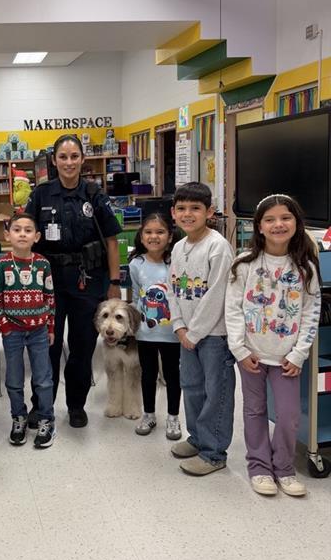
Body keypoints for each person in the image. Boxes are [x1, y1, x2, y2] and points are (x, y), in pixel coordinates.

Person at [225, 194, 321, 497]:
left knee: (288, 414)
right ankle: (259, 467)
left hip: (286, 358)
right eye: (270, 219)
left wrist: (299, 353)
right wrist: (240, 349)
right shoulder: (244, 264)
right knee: (254, 410)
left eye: (285, 218)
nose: (278, 224)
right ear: (259, 226)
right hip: (252, 353)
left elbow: (310, 313)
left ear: (296, 223)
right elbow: (233, 309)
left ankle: (284, 467)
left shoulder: (306, 267)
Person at [26, 134, 122, 428]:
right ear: (54, 161)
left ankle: (76, 405)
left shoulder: (95, 194)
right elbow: (26, 234)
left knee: (82, 347)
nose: (68, 162)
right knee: (47, 348)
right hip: (49, 283)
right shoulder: (40, 195)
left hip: (88, 282)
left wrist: (114, 282)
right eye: (63, 157)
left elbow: (111, 240)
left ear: (82, 160)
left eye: (74, 156)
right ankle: (42, 405)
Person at [168, 181, 235, 476]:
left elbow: (217, 295)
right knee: (192, 389)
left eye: (195, 208)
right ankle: (196, 438)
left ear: (209, 212)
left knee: (216, 392)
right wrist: (180, 328)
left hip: (213, 337)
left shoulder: (218, 246)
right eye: (181, 208)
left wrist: (193, 333)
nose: (187, 214)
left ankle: (213, 452)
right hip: (187, 336)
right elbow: (172, 290)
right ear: (173, 213)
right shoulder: (179, 246)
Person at [0, 213, 56, 448]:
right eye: (17, 230)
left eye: (28, 230)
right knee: (14, 380)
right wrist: (4, 326)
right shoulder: (1, 265)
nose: (22, 234)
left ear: (36, 236)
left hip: (39, 330)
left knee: (43, 379)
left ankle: (47, 419)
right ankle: (19, 417)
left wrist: (50, 326)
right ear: (7, 235)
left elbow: (49, 297)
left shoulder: (43, 264)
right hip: (13, 331)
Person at [128, 213, 182, 441]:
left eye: (160, 232)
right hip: (145, 332)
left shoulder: (177, 262)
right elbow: (134, 296)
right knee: (147, 374)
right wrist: (133, 326)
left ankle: (173, 416)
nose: (154, 236)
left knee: (172, 375)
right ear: (141, 236)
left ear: (170, 236)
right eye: (148, 232)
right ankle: (148, 414)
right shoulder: (136, 264)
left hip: (174, 332)